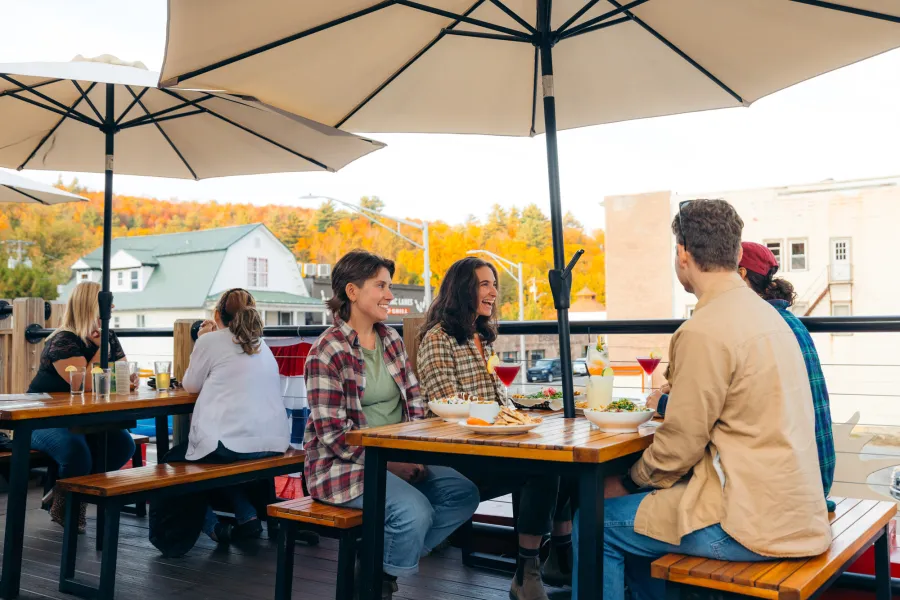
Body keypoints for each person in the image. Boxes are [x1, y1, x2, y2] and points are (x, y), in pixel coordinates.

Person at [604, 199, 832, 600]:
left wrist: (627, 481)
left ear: (682, 254)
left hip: (750, 525)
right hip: (799, 514)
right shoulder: (771, 318)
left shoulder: (704, 330)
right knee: (645, 515)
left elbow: (679, 446)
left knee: (596, 522)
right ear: (738, 252)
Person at [304, 250, 479, 600]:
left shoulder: (392, 340)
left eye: (390, 286)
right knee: (414, 512)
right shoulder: (326, 351)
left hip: (397, 456)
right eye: (381, 286)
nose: (390, 294)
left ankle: (376, 565)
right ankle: (380, 584)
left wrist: (409, 455)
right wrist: (389, 463)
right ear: (352, 292)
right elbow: (335, 436)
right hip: (341, 466)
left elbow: (414, 402)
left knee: (463, 493)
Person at [416, 257, 571, 600]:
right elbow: (445, 404)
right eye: (484, 285)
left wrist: (528, 410)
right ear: (462, 290)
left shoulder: (480, 336)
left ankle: (560, 555)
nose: (492, 293)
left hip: (494, 444)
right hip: (461, 451)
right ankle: (528, 571)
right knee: (541, 468)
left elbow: (500, 399)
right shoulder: (437, 338)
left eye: (494, 285)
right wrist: (502, 417)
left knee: (564, 459)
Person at [174, 288, 290, 544]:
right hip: (274, 443)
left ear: (217, 315)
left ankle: (214, 528)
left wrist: (202, 339)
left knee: (173, 466)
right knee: (220, 460)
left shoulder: (210, 341)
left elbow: (191, 385)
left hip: (233, 446)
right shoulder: (262, 345)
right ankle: (247, 517)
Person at [28, 281, 136, 533]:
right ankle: (70, 509)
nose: (113, 307)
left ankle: (63, 492)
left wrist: (128, 378)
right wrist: (99, 351)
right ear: (91, 306)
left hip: (82, 417)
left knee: (123, 445)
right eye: (107, 304)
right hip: (42, 418)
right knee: (77, 452)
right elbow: (85, 383)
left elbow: (120, 372)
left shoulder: (108, 335)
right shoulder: (63, 341)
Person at [738, 241, 836, 511]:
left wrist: (663, 403)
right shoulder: (789, 321)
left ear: (741, 275)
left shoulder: (758, 326)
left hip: (792, 492)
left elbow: (725, 409)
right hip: (818, 478)